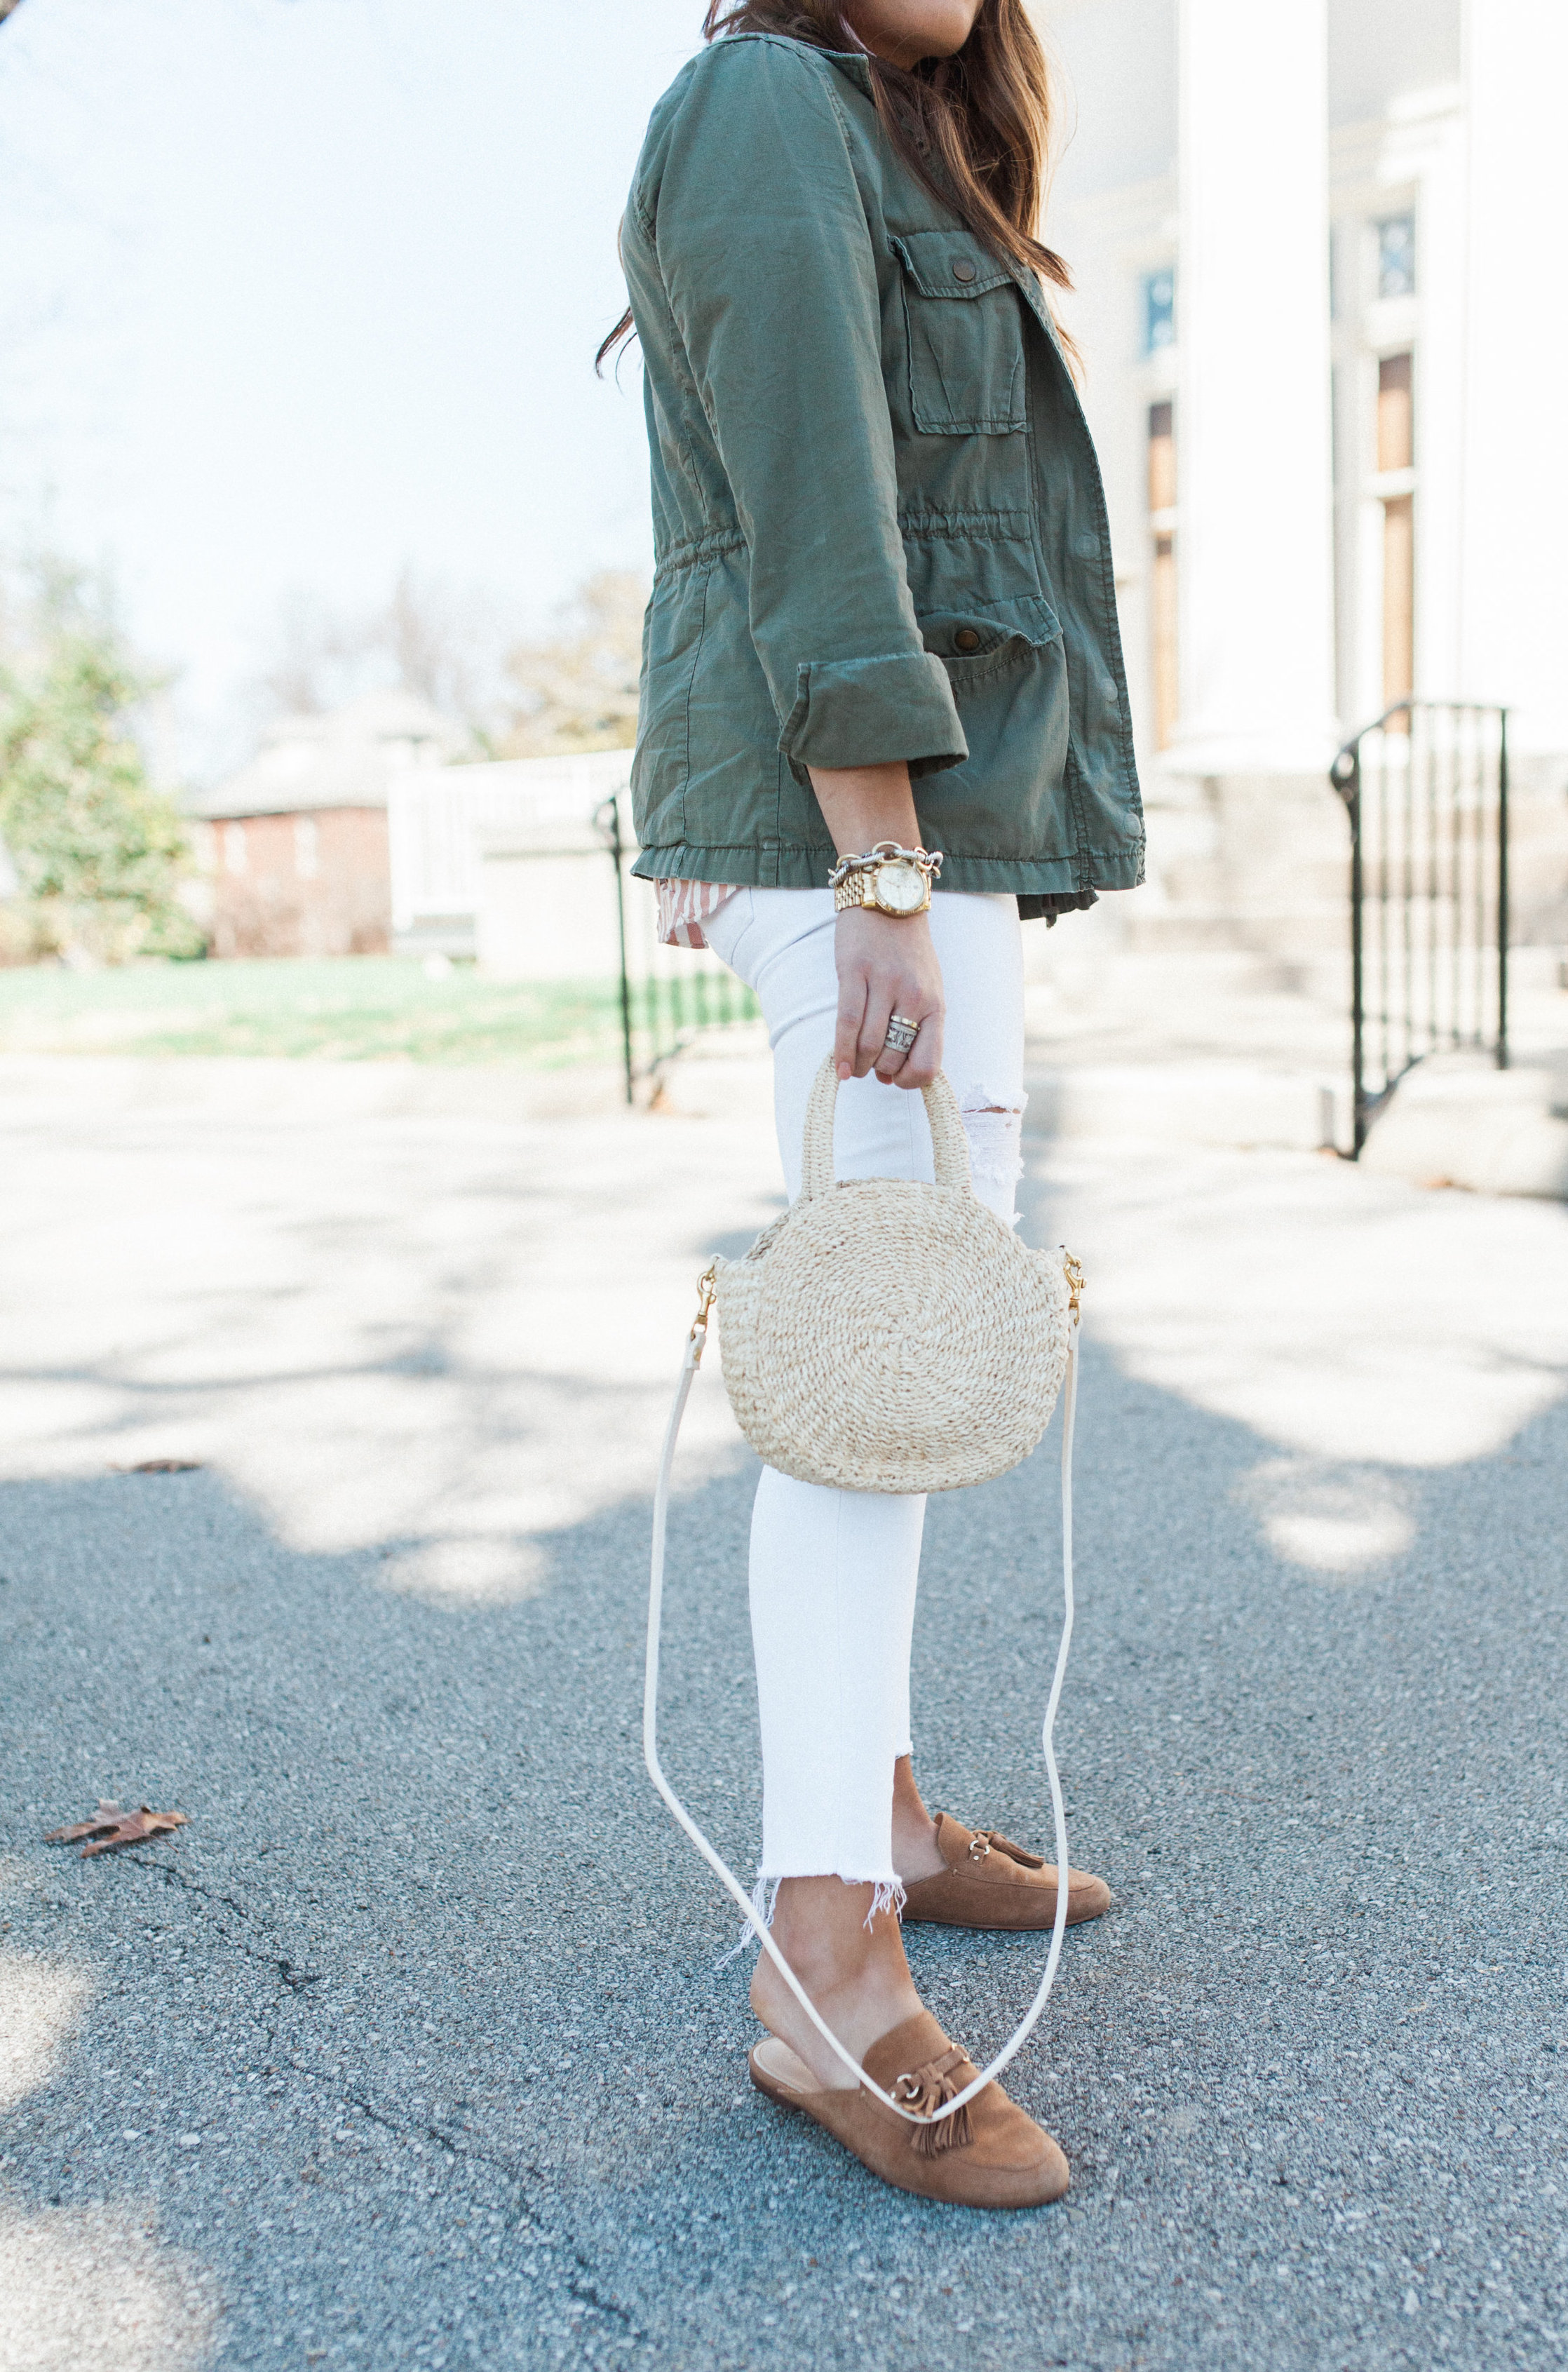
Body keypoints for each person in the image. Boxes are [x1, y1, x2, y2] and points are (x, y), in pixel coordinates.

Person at [606, 0, 1143, 2206]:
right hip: (870, 838)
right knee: (874, 1347)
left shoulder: (901, 133)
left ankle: (889, 1819)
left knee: (911, 1338)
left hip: (919, 835)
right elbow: (811, 495)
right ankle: (819, 1960)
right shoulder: (760, 100)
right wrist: (883, 859)